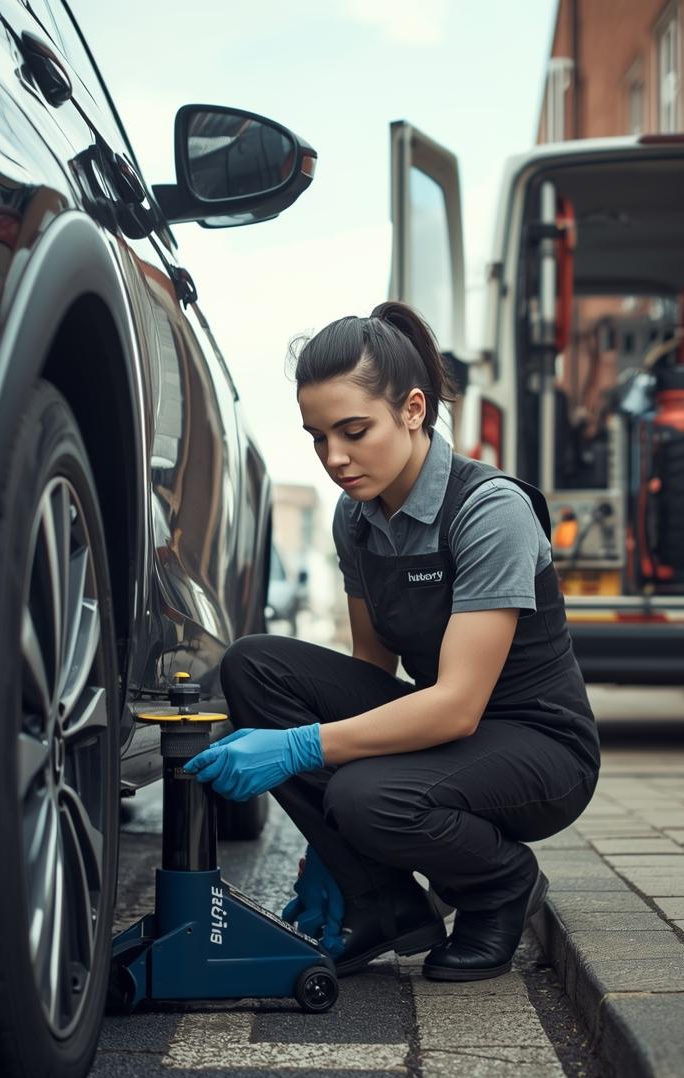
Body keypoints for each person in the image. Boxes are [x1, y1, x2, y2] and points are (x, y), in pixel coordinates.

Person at [185, 302, 600, 982]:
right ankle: (377, 902)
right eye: (318, 438)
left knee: (368, 797)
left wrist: (298, 751)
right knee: (256, 665)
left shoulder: (490, 510)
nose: (335, 459)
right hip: (449, 733)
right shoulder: (357, 517)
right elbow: (369, 668)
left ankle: (500, 887)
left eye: (353, 431)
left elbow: (458, 707)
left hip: (539, 749)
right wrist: (328, 845)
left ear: (412, 410)